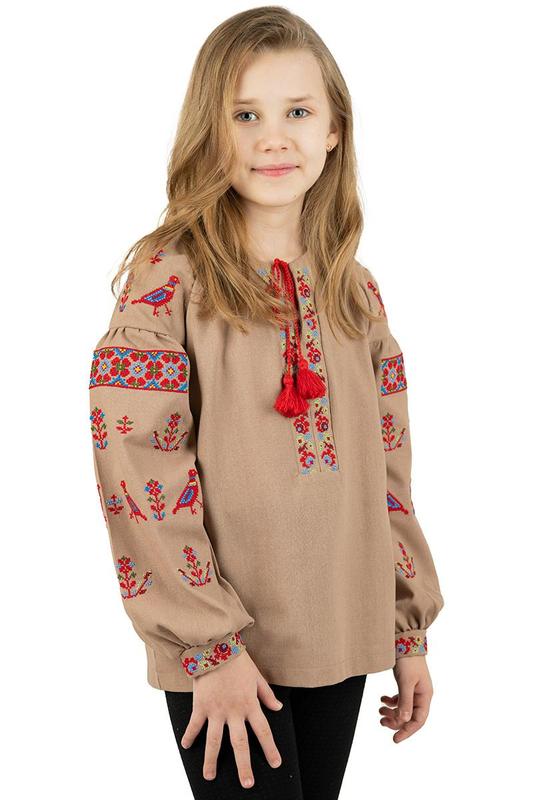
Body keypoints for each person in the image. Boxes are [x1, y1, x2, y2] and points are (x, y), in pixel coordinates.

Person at [87, 6, 445, 799]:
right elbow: (136, 469)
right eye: (244, 115)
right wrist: (207, 646)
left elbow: (387, 476)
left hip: (339, 627)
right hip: (224, 649)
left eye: (297, 112)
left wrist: (405, 626)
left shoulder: (355, 293)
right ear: (209, 131)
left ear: (334, 130)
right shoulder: (168, 277)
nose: (272, 138)